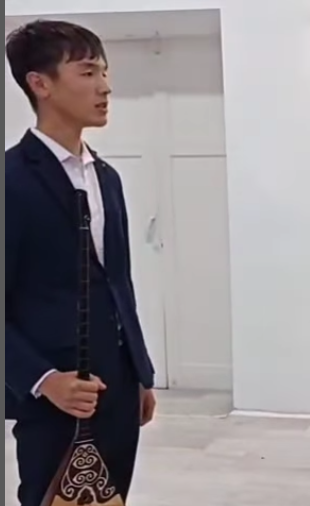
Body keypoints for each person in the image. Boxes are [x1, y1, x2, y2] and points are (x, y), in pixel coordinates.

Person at [5, 20, 156, 506]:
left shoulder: (106, 177)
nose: (105, 87)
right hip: (53, 396)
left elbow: (118, 284)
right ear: (40, 83)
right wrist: (44, 380)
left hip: (118, 389)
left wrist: (140, 372)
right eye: (88, 72)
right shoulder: (11, 180)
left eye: (104, 73)